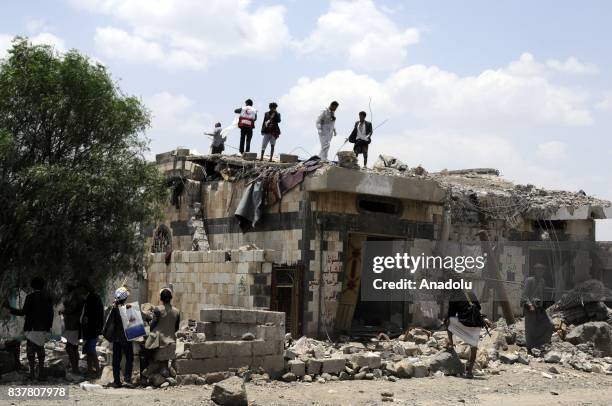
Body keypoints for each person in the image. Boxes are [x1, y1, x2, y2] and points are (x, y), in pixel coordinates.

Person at [5, 277, 54, 381]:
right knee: (41, 350)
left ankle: (32, 373)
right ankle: (41, 373)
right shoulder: (48, 297)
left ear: (32, 286)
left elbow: (23, 312)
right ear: (43, 285)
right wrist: (48, 327)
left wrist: (10, 309)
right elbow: (51, 313)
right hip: (42, 328)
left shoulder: (30, 297)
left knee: (31, 351)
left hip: (31, 328)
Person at [445, 287, 490, 378]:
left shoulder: (454, 296)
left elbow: (451, 315)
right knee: (473, 348)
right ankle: (469, 372)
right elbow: (479, 307)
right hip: (476, 323)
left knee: (448, 323)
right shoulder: (470, 293)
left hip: (465, 323)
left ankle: (450, 343)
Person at [141, 288, 181, 377]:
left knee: (142, 352)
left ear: (161, 299)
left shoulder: (157, 309)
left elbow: (153, 325)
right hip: (171, 341)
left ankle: (144, 376)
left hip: (159, 342)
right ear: (171, 298)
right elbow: (176, 328)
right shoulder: (177, 311)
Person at [103, 287, 134, 388]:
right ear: (125, 298)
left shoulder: (113, 309)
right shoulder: (128, 308)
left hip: (116, 338)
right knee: (129, 357)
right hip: (126, 337)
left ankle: (117, 381)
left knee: (116, 359)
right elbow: (133, 324)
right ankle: (127, 379)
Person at [521, 263, 553, 352]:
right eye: (538, 270)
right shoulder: (530, 280)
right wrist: (530, 305)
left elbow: (542, 294)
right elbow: (524, 296)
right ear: (535, 271)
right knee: (530, 328)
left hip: (539, 307)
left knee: (549, 324)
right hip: (530, 307)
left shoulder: (542, 281)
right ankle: (529, 348)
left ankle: (539, 344)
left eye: (542, 270)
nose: (540, 272)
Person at [81, 282, 104, 379]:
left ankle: (97, 372)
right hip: (94, 329)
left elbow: (89, 316)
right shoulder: (95, 298)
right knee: (89, 351)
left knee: (91, 350)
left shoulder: (91, 299)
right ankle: (90, 371)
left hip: (91, 329)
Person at [62, 283, 84, 374]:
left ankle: (75, 368)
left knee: (70, 348)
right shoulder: (76, 296)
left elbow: (72, 309)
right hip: (74, 325)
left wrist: (63, 311)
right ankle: (75, 368)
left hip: (73, 325)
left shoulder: (74, 297)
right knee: (73, 347)